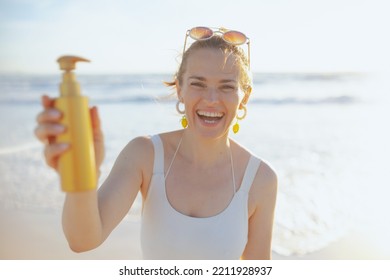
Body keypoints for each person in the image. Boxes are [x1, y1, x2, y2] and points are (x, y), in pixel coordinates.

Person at [34, 26, 277, 260]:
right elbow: (83, 241)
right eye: (197, 84)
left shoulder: (260, 179)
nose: (211, 99)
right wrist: (82, 171)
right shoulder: (145, 155)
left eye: (226, 87)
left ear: (244, 97)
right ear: (180, 89)